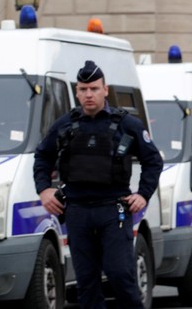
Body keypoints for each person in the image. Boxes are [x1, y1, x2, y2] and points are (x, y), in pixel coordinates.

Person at [33, 61, 163, 309]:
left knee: (120, 275)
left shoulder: (127, 124)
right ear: (77, 92)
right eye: (83, 89)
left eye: (94, 88)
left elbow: (153, 161)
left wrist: (143, 195)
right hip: (78, 210)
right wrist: (44, 189)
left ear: (105, 89)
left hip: (115, 209)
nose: (88, 94)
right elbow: (42, 156)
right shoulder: (65, 125)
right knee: (86, 282)